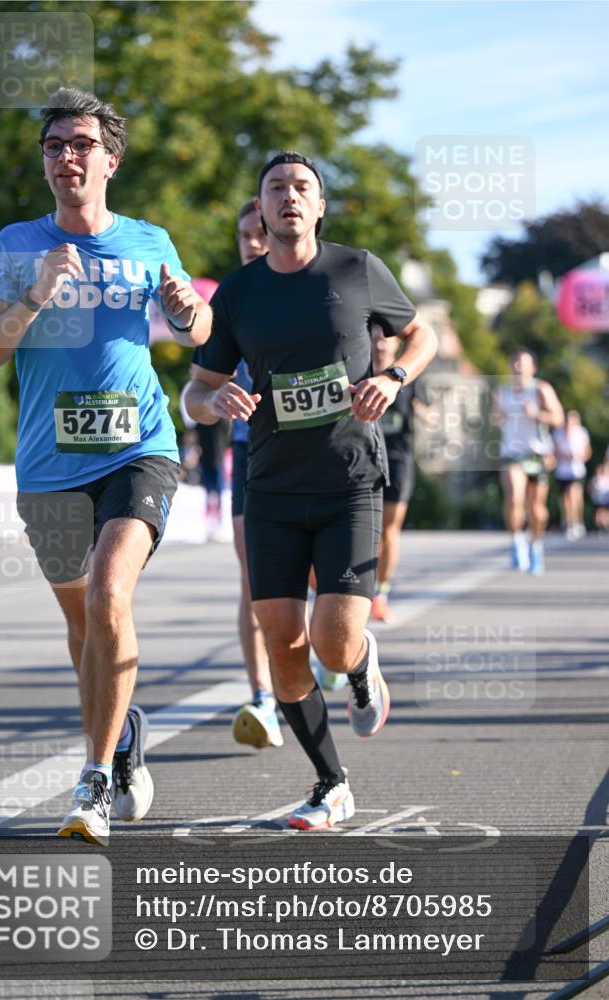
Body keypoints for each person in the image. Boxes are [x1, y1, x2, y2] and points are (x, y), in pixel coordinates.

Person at [0, 87, 212, 846]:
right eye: (53, 146)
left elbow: (198, 329)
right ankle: (122, 725)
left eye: (79, 144)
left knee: (109, 594)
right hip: (49, 463)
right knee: (85, 628)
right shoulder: (15, 246)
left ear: (110, 159)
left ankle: (95, 778)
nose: (65, 156)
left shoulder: (149, 239)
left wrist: (185, 307)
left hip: (139, 447)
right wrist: (35, 296)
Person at [186, 151, 437, 830]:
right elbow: (195, 391)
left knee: (330, 640)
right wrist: (215, 402)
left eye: (302, 187)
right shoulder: (237, 294)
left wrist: (394, 379)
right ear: (260, 212)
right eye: (276, 188)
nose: (289, 196)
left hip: (348, 481)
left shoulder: (355, 269)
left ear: (319, 205)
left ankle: (358, 665)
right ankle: (330, 783)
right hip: (269, 487)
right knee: (283, 646)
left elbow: (422, 333)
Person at [226, 201, 283, 748]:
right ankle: (262, 698)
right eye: (244, 235)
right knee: (252, 582)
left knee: (306, 579)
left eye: (259, 233)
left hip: (310, 453)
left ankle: (333, 652)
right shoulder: (231, 298)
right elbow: (201, 382)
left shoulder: (308, 289)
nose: (251, 242)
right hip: (250, 450)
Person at [370, 330, 433, 623]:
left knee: (389, 530)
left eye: (386, 338)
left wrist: (423, 413)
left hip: (397, 460)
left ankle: (380, 594)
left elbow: (429, 411)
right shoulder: (357, 371)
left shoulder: (407, 376)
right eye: (375, 338)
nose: (380, 343)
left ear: (396, 344)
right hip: (363, 457)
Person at [495, 348, 564, 576]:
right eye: (515, 363)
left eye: (523, 364)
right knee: (514, 497)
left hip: (536, 453)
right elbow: (495, 417)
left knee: (536, 509)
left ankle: (536, 546)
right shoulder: (502, 391)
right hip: (512, 453)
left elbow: (558, 419)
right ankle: (517, 543)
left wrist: (536, 414)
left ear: (532, 368)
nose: (518, 367)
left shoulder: (541, 390)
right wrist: (498, 418)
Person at [552, 410, 591, 539]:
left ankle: (577, 521)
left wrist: (578, 457)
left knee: (575, 495)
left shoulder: (582, 433)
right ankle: (568, 521)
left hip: (577, 470)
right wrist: (564, 456)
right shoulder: (558, 433)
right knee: (566, 498)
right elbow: (554, 452)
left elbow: (587, 452)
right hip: (562, 471)